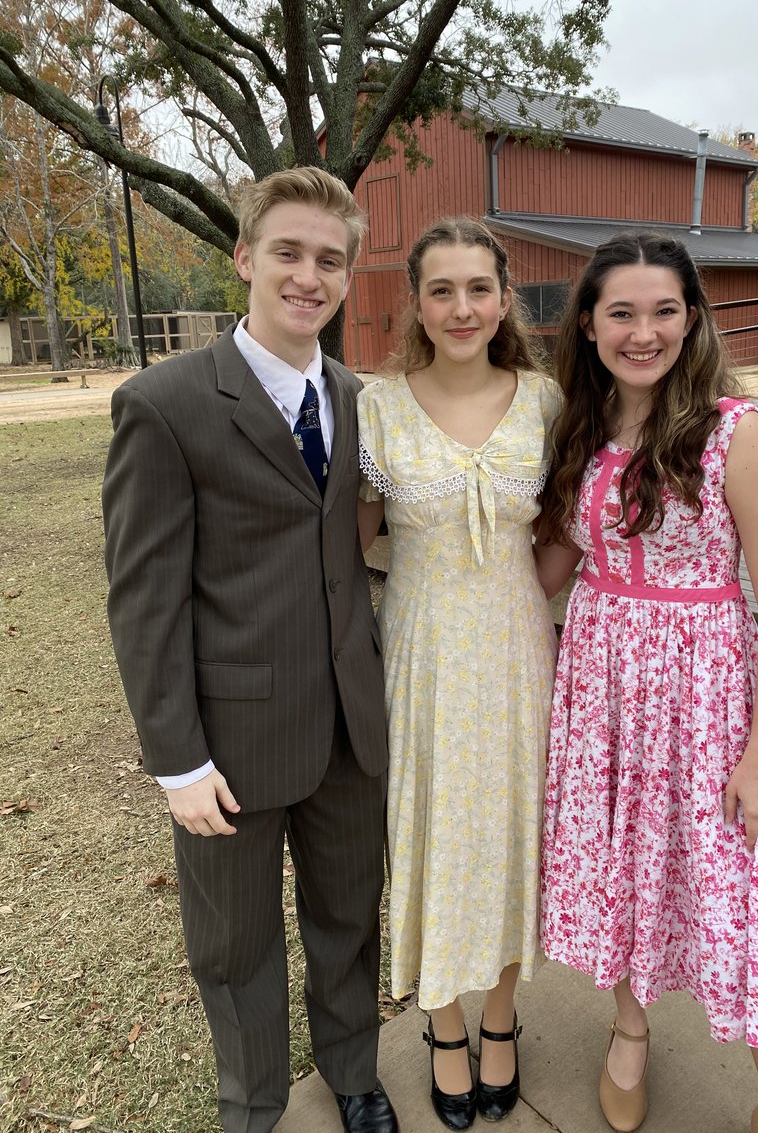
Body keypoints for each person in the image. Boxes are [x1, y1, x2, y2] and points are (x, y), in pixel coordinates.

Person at [103, 167, 399, 1133]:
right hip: (229, 739)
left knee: (350, 917)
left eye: (329, 259)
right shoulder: (165, 403)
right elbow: (144, 599)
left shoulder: (360, 399)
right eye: (288, 252)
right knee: (234, 943)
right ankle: (254, 1101)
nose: (308, 275)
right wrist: (176, 760)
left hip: (353, 723)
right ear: (243, 258)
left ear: (348, 275)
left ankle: (353, 1072)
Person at [535, 231, 758, 1133]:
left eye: (664, 310)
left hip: (706, 700)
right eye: (621, 312)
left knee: (744, 900)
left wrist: (757, 754)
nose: (643, 331)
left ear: (692, 319)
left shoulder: (734, 433)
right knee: (620, 866)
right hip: (602, 692)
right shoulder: (580, 429)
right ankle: (629, 1028)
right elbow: (548, 569)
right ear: (588, 323)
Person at [356, 218, 560, 1129]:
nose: (463, 307)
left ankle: (504, 1018)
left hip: (519, 649)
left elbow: (561, 533)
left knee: (517, 829)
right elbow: (353, 541)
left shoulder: (547, 401)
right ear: (418, 304)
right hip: (420, 653)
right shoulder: (379, 406)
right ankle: (442, 1022)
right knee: (429, 828)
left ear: (505, 298)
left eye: (480, 287)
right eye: (443, 290)